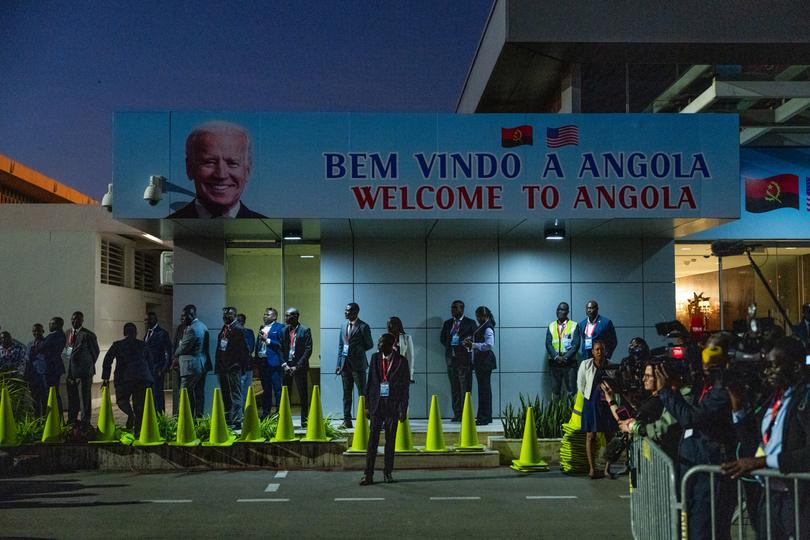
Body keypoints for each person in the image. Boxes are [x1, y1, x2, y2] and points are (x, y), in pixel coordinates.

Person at [722, 337, 810, 540]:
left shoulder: (805, 398)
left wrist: (762, 462)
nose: (767, 372)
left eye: (774, 366)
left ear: (795, 368)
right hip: (770, 496)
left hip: (796, 499)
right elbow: (756, 445)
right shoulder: (774, 398)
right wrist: (738, 407)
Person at [657, 332, 736, 540]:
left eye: (710, 353)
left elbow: (691, 418)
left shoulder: (724, 392)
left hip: (711, 477)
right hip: (695, 472)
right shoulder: (706, 386)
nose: (705, 360)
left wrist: (666, 391)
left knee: (706, 532)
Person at [167, 121, 266, 219]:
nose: (221, 175)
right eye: (210, 162)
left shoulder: (272, 233)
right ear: (189, 168)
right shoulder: (164, 229)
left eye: (232, 163)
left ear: (247, 171)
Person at [360, 334, 410, 486]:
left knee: (390, 441)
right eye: (379, 341)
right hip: (376, 406)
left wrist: (403, 409)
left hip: (392, 406)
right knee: (372, 442)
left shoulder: (401, 361)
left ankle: (387, 472)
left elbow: (405, 388)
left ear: (391, 344)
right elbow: (370, 383)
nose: (379, 344)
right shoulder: (375, 358)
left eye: (383, 342)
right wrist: (367, 406)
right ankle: (368, 475)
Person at [101, 323, 154, 435]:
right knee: (139, 406)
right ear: (136, 333)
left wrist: (105, 378)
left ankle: (130, 414)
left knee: (121, 401)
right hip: (141, 378)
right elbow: (150, 362)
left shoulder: (117, 345)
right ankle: (138, 431)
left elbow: (107, 360)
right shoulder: (143, 345)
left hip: (123, 378)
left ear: (124, 333)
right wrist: (150, 377)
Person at [577, 339, 617, 479]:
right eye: (597, 349)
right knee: (590, 436)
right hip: (591, 403)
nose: (600, 352)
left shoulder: (612, 365)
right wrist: (590, 397)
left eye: (602, 349)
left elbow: (615, 384)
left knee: (609, 436)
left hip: (607, 405)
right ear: (593, 351)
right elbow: (580, 385)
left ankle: (607, 468)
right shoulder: (585, 365)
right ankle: (592, 469)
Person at [336, 302, 373, 429]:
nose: (346, 313)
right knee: (346, 394)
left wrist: (356, 350)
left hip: (358, 365)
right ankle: (347, 420)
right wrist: (338, 364)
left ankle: (365, 419)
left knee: (362, 393)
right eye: (345, 310)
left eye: (349, 311)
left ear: (356, 312)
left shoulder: (363, 326)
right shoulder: (342, 326)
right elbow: (341, 346)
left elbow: (369, 345)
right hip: (345, 365)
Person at [440, 300, 477, 421]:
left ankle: (466, 414)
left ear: (462, 309)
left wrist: (463, 344)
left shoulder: (470, 323)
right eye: (452, 308)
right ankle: (457, 414)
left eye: (455, 308)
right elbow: (442, 339)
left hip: (464, 360)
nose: (452, 310)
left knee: (465, 387)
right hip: (451, 360)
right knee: (454, 387)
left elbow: (475, 338)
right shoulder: (447, 323)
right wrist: (450, 346)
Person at [215, 307, 250, 429]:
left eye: (229, 314)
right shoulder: (225, 328)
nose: (225, 316)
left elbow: (244, 350)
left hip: (233, 367)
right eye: (224, 314)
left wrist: (240, 366)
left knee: (236, 394)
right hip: (223, 368)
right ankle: (228, 419)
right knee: (226, 394)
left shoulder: (238, 329)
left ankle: (237, 421)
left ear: (234, 315)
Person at [63, 311, 99, 425]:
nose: (75, 321)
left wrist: (87, 366)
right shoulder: (68, 333)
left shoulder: (88, 335)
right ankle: (72, 421)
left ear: (82, 320)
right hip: (70, 373)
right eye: (73, 319)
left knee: (85, 400)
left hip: (84, 374)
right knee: (72, 399)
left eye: (78, 319)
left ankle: (85, 423)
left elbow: (95, 352)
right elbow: (68, 351)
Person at [464, 306, 497, 425]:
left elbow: (489, 345)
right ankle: (486, 416)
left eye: (480, 316)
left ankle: (484, 417)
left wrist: (473, 345)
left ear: (486, 316)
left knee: (484, 390)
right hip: (481, 362)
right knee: (484, 390)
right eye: (477, 316)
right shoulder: (483, 326)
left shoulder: (488, 328)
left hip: (485, 362)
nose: (478, 318)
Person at [174, 305, 208, 418]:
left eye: (184, 315)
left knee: (184, 394)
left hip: (191, 367)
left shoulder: (192, 328)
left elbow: (183, 348)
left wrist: (175, 353)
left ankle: (183, 422)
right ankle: (198, 420)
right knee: (198, 394)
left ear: (191, 314)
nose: (182, 318)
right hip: (201, 365)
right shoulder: (203, 326)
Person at [281, 307, 313, 427]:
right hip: (286, 367)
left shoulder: (305, 330)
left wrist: (297, 366)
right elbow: (280, 349)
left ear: (295, 316)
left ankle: (304, 422)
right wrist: (284, 364)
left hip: (300, 368)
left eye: (287, 315)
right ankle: (285, 422)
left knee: (303, 395)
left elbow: (308, 350)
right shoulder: (283, 331)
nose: (285, 318)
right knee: (286, 395)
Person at [545, 302, 580, 398]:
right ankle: (557, 412)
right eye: (558, 309)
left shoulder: (574, 325)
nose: (560, 311)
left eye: (563, 309)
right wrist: (556, 357)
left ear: (568, 312)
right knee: (555, 392)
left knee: (572, 392)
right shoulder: (551, 326)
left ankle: (571, 413)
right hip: (554, 363)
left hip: (570, 363)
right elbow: (548, 344)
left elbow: (576, 344)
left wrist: (565, 357)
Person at [256, 308, 285, 418]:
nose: (265, 316)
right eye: (264, 314)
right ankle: (266, 412)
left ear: (274, 317)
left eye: (267, 314)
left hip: (274, 363)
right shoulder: (261, 327)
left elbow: (281, 344)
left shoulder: (280, 327)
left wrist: (267, 340)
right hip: (263, 362)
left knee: (278, 389)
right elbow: (257, 344)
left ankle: (279, 412)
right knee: (266, 389)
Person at [36, 317, 67, 417]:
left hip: (50, 368)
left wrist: (39, 342)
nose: (49, 326)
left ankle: (53, 416)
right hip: (55, 367)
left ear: (56, 325)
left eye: (51, 324)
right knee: (54, 393)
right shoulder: (62, 335)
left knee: (50, 394)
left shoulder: (54, 336)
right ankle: (58, 416)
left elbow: (41, 347)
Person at [143, 312, 173, 414]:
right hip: (148, 369)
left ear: (154, 320)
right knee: (150, 393)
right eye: (145, 320)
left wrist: (164, 369)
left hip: (157, 369)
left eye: (148, 320)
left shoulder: (162, 333)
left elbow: (168, 352)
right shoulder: (147, 333)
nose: (146, 322)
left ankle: (160, 415)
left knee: (157, 393)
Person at [26, 323, 48, 416]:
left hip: (44, 375)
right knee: (35, 399)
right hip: (33, 376)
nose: (36, 333)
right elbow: (27, 360)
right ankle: (37, 420)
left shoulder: (47, 343)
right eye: (34, 331)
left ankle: (45, 419)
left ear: (43, 331)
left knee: (44, 399)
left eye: (38, 330)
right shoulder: (30, 344)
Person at [387, 316, 415, 383]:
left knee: (401, 392)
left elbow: (410, 358)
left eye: (392, 324)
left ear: (398, 325)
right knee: (387, 393)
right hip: (388, 371)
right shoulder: (384, 337)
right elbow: (380, 356)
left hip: (401, 372)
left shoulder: (407, 338)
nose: (390, 326)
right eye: (389, 324)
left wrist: (410, 376)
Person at [237, 313, 255, 413]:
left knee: (247, 391)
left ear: (244, 321)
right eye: (237, 320)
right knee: (238, 391)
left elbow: (250, 348)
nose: (239, 322)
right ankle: (239, 414)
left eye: (241, 320)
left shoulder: (249, 332)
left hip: (248, 365)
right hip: (238, 366)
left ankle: (246, 413)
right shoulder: (232, 332)